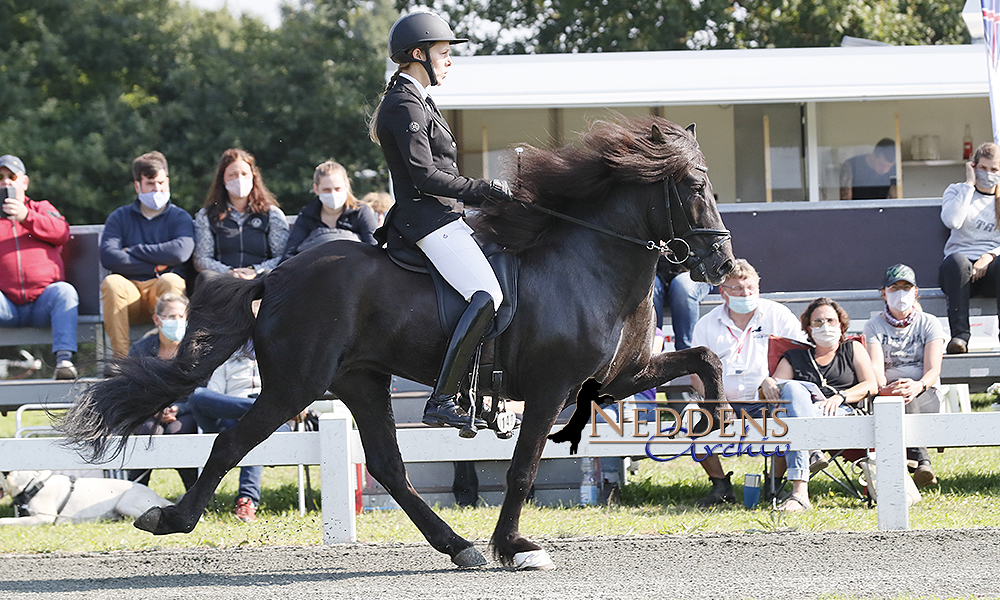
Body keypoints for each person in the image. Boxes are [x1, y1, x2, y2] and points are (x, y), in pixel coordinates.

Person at [369, 11, 513, 429]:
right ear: (419, 54)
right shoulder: (403, 103)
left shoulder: (418, 100)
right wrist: (484, 189)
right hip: (427, 220)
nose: (449, 61)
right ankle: (444, 398)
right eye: (444, 53)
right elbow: (425, 175)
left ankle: (484, 391)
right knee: (487, 293)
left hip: (445, 215)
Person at [688, 259, 805, 507]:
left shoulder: (777, 314)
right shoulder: (707, 324)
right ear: (723, 292)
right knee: (690, 418)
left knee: (789, 416)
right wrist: (717, 402)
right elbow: (696, 375)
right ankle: (720, 486)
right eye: (738, 289)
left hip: (768, 399)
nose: (746, 294)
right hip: (721, 402)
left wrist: (776, 381)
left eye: (751, 288)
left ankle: (775, 485)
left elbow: (801, 356)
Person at [760, 297, 878, 511]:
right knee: (794, 390)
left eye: (831, 321)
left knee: (790, 418)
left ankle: (800, 494)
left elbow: (871, 385)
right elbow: (777, 388)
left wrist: (841, 396)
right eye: (818, 322)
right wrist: (767, 381)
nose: (825, 326)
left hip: (842, 413)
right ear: (808, 327)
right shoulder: (794, 357)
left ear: (841, 325)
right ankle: (812, 449)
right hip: (802, 414)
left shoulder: (851, 349)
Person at [100, 151, 193, 359]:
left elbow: (180, 252)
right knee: (112, 283)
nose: (157, 189)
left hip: (162, 294)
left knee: (171, 279)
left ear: (167, 182)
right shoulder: (119, 217)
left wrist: (133, 251)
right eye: (150, 184)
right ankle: (121, 362)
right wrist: (157, 265)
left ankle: (174, 356)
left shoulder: (180, 217)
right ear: (138, 186)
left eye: (161, 183)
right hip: (129, 293)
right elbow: (109, 256)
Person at [187, 342, 292, 523]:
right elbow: (213, 394)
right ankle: (257, 409)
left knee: (255, 426)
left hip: (273, 424)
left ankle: (247, 500)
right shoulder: (227, 357)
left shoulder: (281, 355)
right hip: (229, 415)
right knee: (198, 396)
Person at [863, 264, 944, 487]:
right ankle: (921, 462)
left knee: (906, 394)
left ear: (915, 292)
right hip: (888, 393)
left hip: (925, 392)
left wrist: (917, 386)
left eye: (906, 287)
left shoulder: (930, 323)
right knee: (899, 394)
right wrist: (885, 388)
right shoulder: (873, 326)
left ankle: (914, 461)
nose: (900, 293)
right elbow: (877, 368)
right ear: (884, 293)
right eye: (894, 287)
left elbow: (933, 370)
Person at [0, 154, 79, 379]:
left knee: (65, 291)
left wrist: (26, 217)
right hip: (6, 306)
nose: (6, 182)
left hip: (43, 303)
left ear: (24, 182)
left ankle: (64, 362)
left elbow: (62, 232)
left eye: (12, 176)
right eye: (0, 177)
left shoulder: (41, 207)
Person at [127, 292, 198, 491]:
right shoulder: (140, 350)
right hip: (147, 412)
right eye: (171, 317)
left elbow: (203, 389)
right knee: (149, 430)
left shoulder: (196, 350)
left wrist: (177, 409)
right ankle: (134, 491)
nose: (177, 321)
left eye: (181, 317)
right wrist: (154, 410)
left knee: (178, 433)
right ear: (157, 320)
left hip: (185, 411)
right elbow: (132, 389)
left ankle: (194, 495)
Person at [939, 142, 1000, 354]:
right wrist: (969, 184)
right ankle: (960, 337)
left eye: (994, 170)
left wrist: (989, 256)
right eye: (983, 168)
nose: (989, 174)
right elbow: (953, 221)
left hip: (992, 273)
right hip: (958, 276)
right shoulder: (956, 190)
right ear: (973, 166)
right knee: (956, 261)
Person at [193, 148, 289, 282]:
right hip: (223, 281)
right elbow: (201, 259)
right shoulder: (207, 216)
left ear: (253, 177)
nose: (239, 179)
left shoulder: (271, 214)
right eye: (232, 175)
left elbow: (282, 256)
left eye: (244, 174)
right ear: (223, 179)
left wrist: (254, 271)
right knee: (205, 277)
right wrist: (229, 272)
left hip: (261, 280)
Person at [281, 161, 378, 262]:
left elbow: (375, 250)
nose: (333, 194)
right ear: (316, 189)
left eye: (337, 188)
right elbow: (289, 256)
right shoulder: (307, 215)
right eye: (327, 190)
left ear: (347, 185)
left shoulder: (360, 212)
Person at [652, 257, 711, 351]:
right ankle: (653, 351)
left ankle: (687, 353)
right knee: (650, 288)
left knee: (683, 288)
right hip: (654, 272)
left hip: (692, 272)